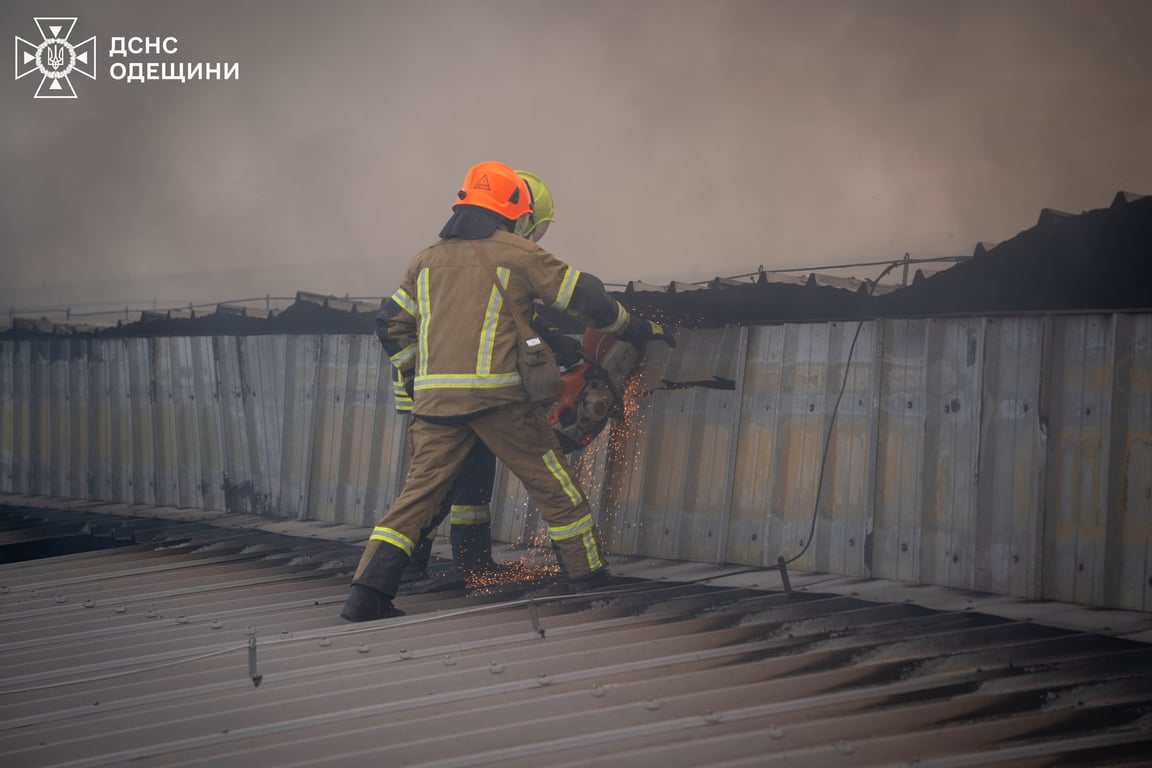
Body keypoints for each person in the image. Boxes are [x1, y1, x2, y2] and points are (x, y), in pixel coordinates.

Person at [341, 160, 670, 621]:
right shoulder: (518, 254)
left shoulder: (425, 260)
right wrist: (634, 325)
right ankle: (588, 578)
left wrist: (421, 376)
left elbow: (392, 327)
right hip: (499, 401)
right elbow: (586, 299)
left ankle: (366, 596)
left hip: (436, 405)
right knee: (552, 483)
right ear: (513, 209)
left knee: (415, 499)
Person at [398, 171, 558, 593]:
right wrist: (418, 377)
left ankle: (473, 566)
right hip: (448, 398)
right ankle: (416, 565)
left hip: (444, 395)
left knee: (467, 480)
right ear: (519, 217)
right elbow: (392, 324)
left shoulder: (451, 261)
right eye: (532, 225)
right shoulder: (461, 261)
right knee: (437, 484)